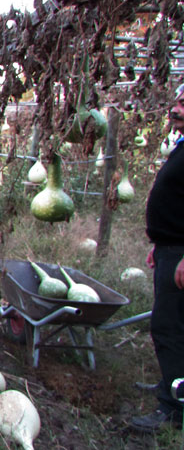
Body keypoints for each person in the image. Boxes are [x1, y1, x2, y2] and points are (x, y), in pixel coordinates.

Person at [129, 83, 184, 432]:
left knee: (170, 328)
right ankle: (170, 386)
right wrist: (162, 241)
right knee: (173, 324)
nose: (175, 108)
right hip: (170, 249)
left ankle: (173, 410)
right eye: (177, 100)